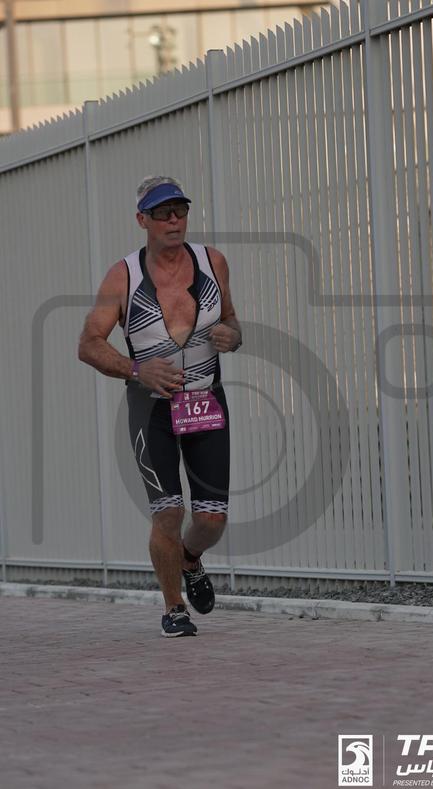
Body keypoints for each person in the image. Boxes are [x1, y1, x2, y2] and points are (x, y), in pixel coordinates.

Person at [78, 175, 242, 638]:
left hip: (206, 402)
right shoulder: (123, 276)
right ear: (142, 220)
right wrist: (136, 369)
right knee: (169, 512)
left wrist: (232, 335)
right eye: (162, 213)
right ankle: (174, 608)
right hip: (152, 411)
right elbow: (88, 344)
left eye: (180, 210)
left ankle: (190, 559)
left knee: (211, 519)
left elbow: (231, 321)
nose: (173, 220)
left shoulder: (212, 262)